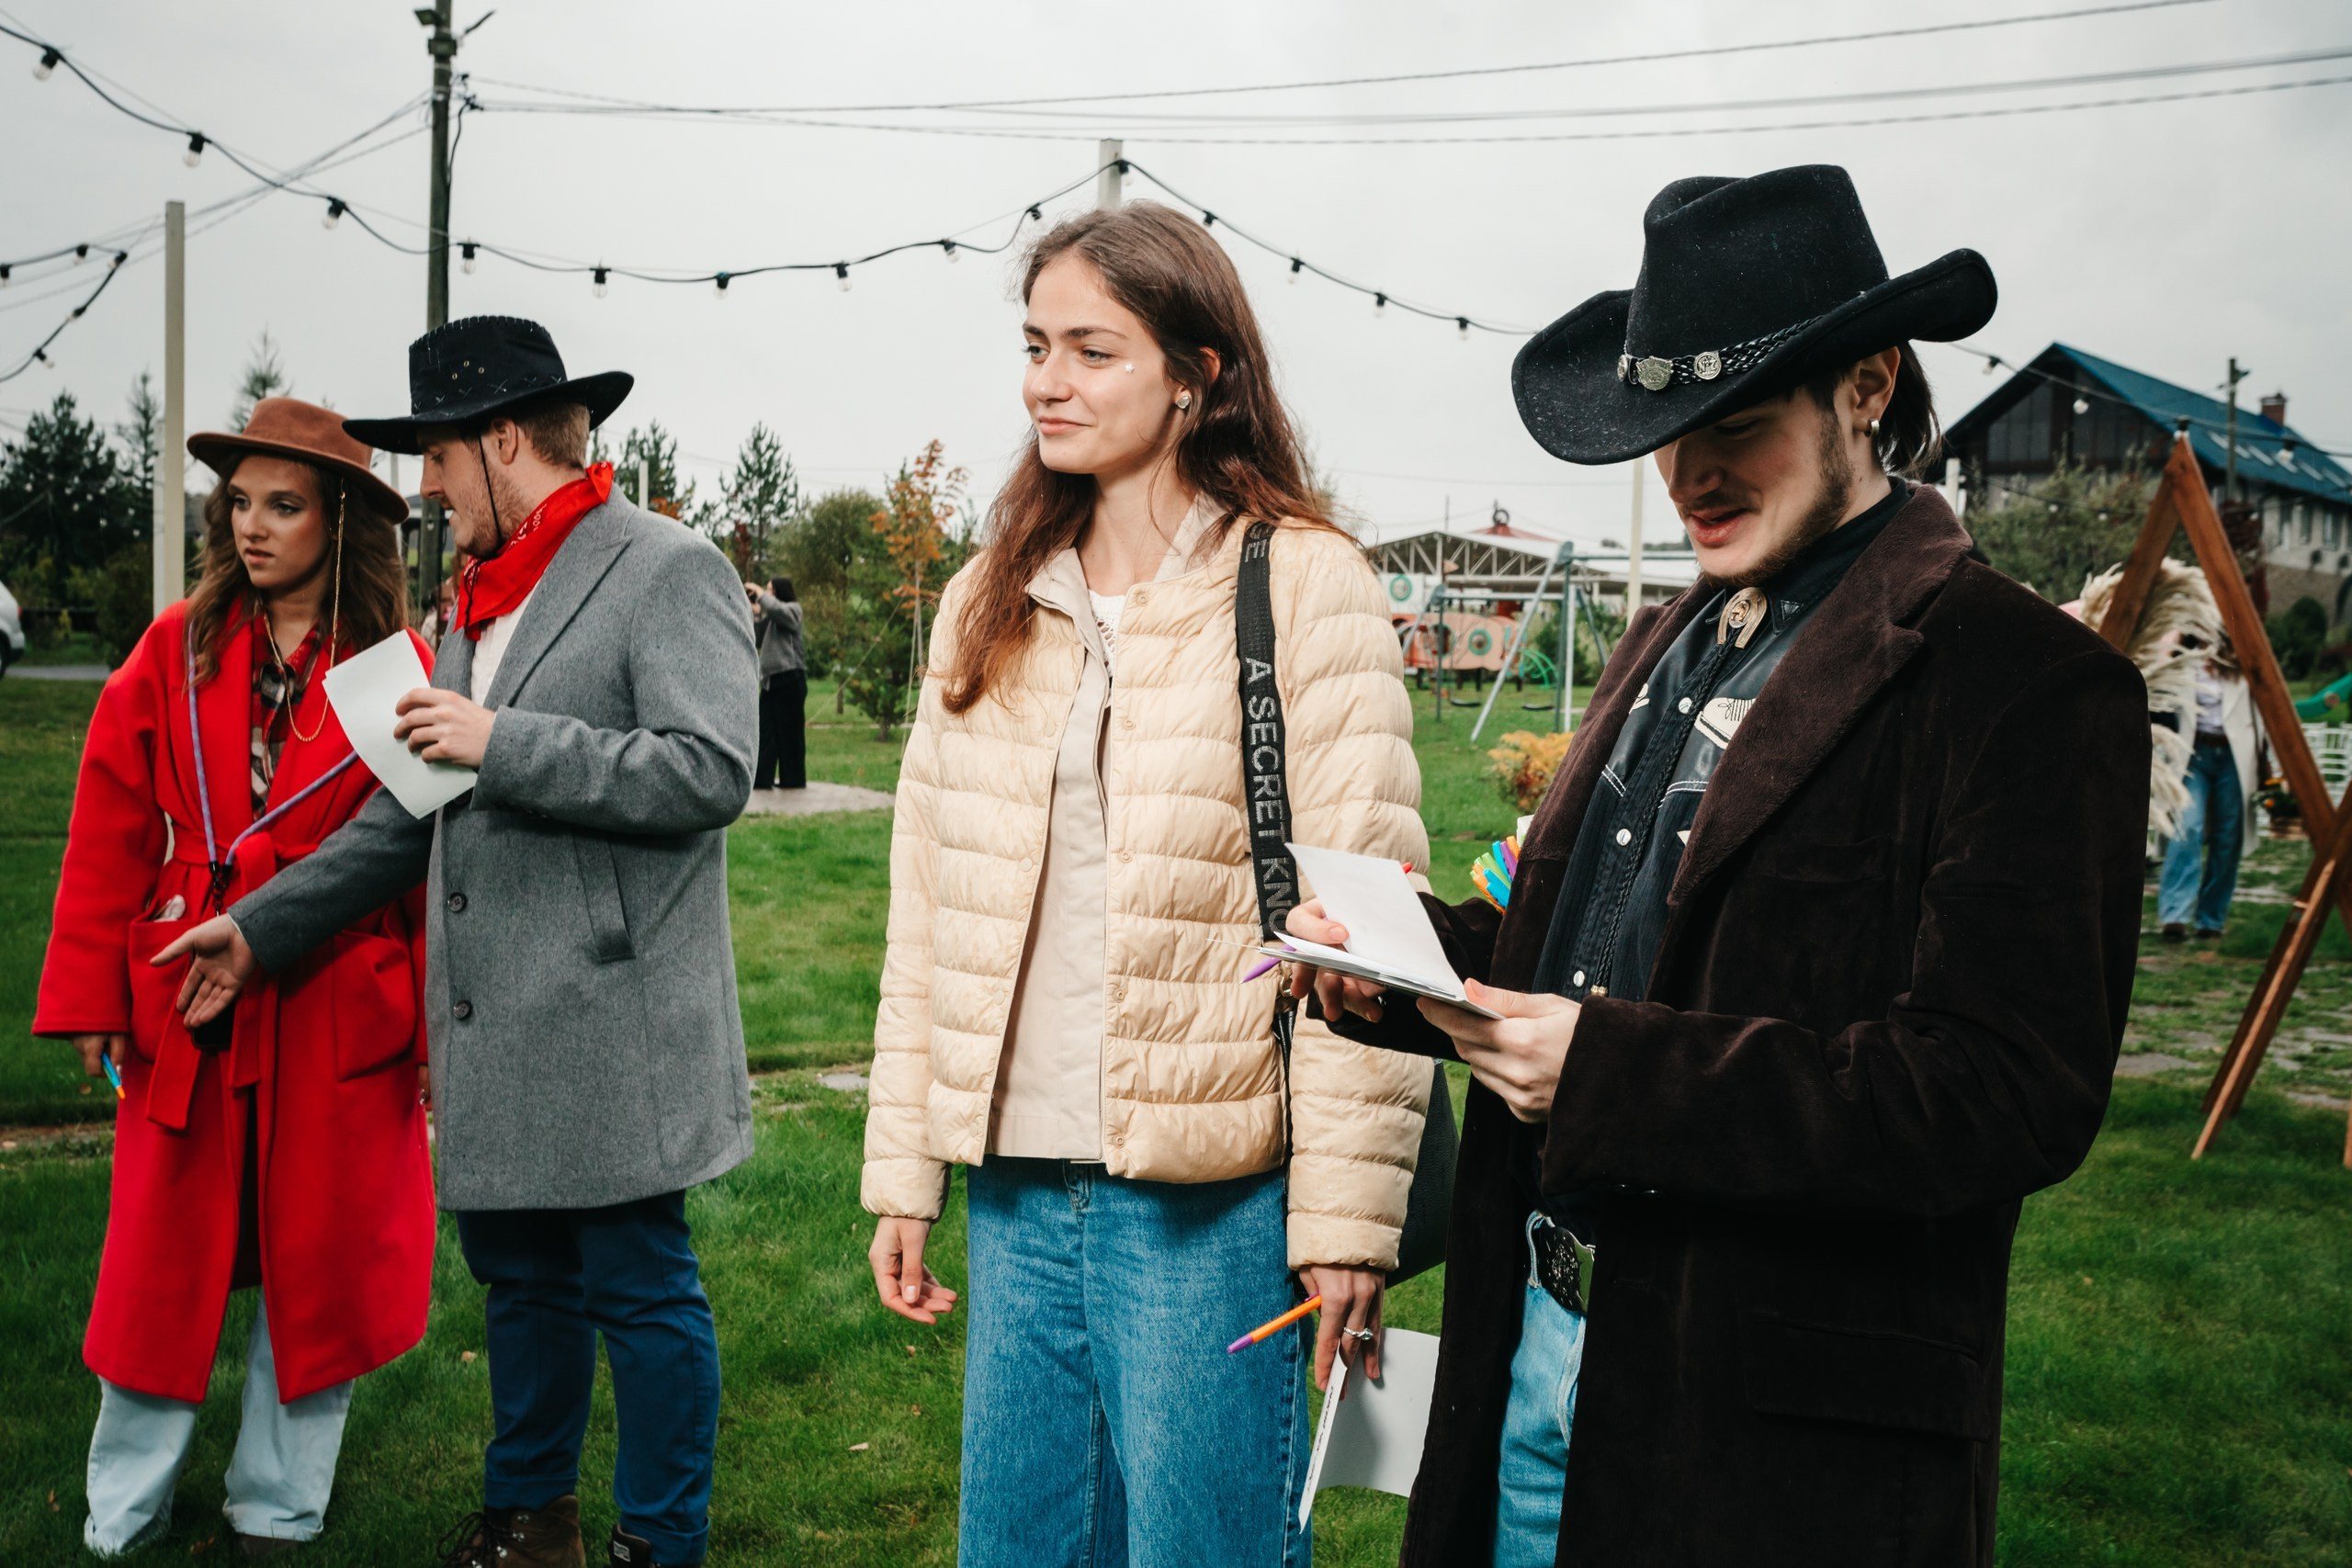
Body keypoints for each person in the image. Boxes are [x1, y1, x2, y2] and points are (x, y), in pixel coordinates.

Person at [1289, 165, 2149, 1565]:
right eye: (1664, 434)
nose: (1688, 474)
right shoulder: (1674, 632)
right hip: (1531, 1343)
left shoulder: (2035, 686)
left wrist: (1610, 1073)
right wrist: (1394, 965)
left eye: (1733, 425)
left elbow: (2000, 1090)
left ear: (1869, 384)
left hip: (1772, 1434)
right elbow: (1592, 946)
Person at [859, 202, 1432, 1567]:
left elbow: (1368, 918)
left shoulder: (1305, 582)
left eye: (1092, 351)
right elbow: (928, 903)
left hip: (1210, 1196)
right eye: (1036, 345)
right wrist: (905, 1168)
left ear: (1197, 373)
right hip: (1014, 1183)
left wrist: (1347, 1223)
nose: (1045, 382)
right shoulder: (987, 595)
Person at [156, 317, 758, 1568]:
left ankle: (663, 1539)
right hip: (494, 1020)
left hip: (613, 1022)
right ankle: (527, 1524)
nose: (423, 487)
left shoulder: (665, 566)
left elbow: (709, 771)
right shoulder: (472, 605)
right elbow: (399, 819)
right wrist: (260, 931)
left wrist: (503, 742)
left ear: (499, 439)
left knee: (641, 1290)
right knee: (524, 1288)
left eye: (433, 456)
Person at [35, 397, 435, 1559]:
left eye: (284, 505)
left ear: (343, 519)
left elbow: (416, 858)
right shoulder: (178, 649)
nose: (252, 528)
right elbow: (109, 820)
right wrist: (94, 999)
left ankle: (279, 1507)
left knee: (323, 1264)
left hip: (335, 1002)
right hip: (187, 990)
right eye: (240, 503)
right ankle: (124, 1514)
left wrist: (430, 1045)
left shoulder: (394, 676)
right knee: (159, 1266)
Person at [2160, 636, 2261, 941]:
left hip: (2234, 755)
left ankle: (2211, 918)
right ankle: (2175, 914)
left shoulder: (2243, 660)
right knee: (2186, 828)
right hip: (2194, 754)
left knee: (2228, 836)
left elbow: (2262, 709)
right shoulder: (2183, 660)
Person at [746, 574, 805, 789]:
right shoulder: (772, 619)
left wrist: (761, 595)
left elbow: (780, 611)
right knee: (766, 732)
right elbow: (756, 638)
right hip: (771, 682)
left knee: (789, 734)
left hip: (790, 678)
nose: (766, 593)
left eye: (770, 590)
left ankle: (794, 781)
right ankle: (762, 780)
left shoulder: (793, 611)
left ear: (780, 592)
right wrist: (754, 613)